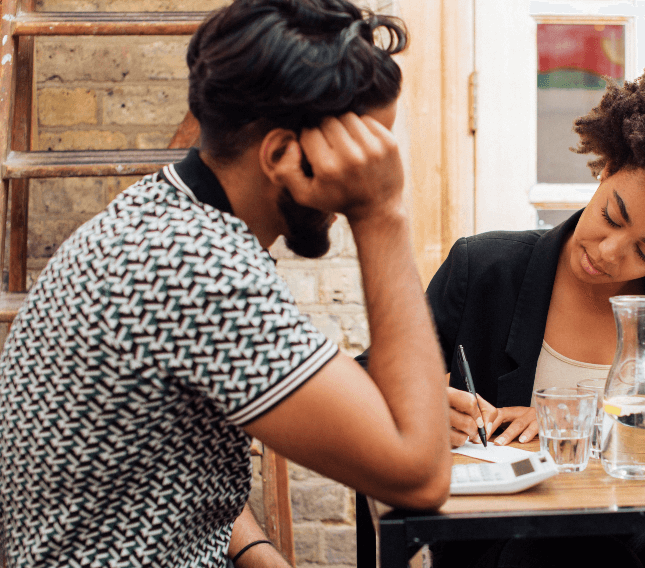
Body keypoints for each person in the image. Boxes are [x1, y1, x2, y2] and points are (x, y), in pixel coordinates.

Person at [0, 1, 452, 567]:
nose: (372, 170)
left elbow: (161, 448)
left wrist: (259, 552)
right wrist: (381, 212)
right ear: (284, 153)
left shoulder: (161, 214)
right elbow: (420, 475)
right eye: (362, 154)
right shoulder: (196, 270)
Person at [359, 59, 645, 567]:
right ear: (607, 167)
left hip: (642, 536)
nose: (610, 253)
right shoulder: (483, 268)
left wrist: (580, 431)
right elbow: (368, 379)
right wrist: (426, 405)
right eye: (612, 215)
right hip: (507, 543)